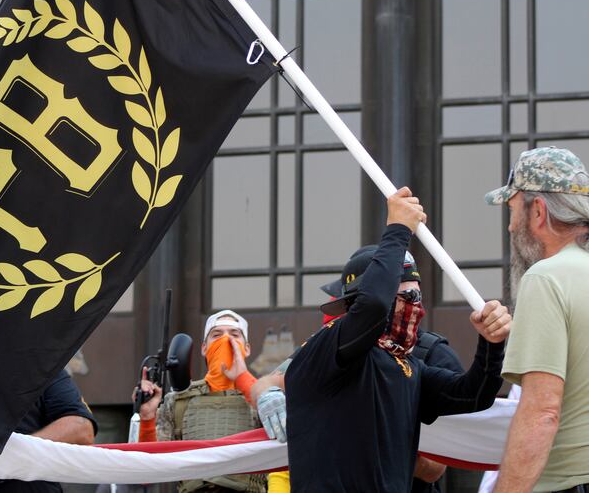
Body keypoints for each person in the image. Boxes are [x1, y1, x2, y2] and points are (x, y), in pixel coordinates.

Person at [252, 186, 511, 492]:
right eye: (403, 295)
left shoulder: (408, 366)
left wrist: (492, 343)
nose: (414, 304)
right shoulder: (327, 349)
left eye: (416, 294)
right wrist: (398, 229)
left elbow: (474, 395)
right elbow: (373, 307)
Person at [482, 146, 589, 492]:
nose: (511, 228)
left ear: (538, 211)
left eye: (513, 211)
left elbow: (542, 412)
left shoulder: (546, 278)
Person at [134, 309, 266, 492]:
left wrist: (246, 383)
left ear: (247, 348)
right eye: (217, 335)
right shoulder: (178, 401)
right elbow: (148, 471)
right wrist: (148, 417)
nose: (225, 341)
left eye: (234, 335)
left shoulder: (266, 398)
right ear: (204, 348)